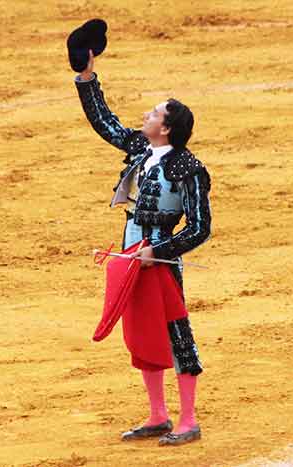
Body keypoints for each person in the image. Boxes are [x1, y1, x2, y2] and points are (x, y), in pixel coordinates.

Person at [74, 49, 212, 446]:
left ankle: (188, 420)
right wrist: (87, 78)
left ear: (166, 128)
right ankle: (157, 414)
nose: (146, 117)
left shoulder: (189, 168)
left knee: (177, 333)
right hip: (130, 253)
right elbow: (106, 124)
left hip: (162, 260)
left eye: (153, 114)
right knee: (141, 331)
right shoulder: (140, 150)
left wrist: (162, 250)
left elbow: (201, 227)